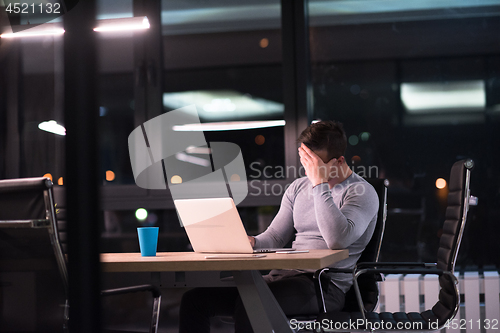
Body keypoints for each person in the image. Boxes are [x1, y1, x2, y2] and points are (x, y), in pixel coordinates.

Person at [179, 120, 379, 333]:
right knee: (194, 300)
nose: (308, 171)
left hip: (323, 286)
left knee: (251, 305)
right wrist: (252, 242)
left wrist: (319, 184)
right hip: (281, 277)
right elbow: (275, 236)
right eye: (305, 162)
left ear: (339, 161)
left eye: (315, 165)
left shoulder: (361, 192)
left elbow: (337, 240)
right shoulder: (298, 188)